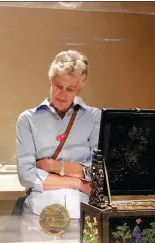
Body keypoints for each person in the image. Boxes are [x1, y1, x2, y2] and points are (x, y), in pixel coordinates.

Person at [15, 50, 101, 228]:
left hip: (83, 216)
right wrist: (78, 181)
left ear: (79, 89)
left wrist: (54, 167)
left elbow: (98, 172)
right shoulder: (28, 119)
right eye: (57, 86)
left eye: (70, 89)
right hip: (37, 216)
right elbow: (27, 176)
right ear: (50, 81)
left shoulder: (95, 118)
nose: (62, 94)